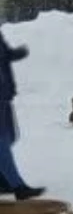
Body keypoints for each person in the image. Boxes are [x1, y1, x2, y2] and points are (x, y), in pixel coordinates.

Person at [0, 31, 42, 200]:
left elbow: (4, 54)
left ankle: (3, 180)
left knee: (10, 136)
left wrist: (17, 53)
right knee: (1, 140)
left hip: (4, 93)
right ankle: (18, 186)